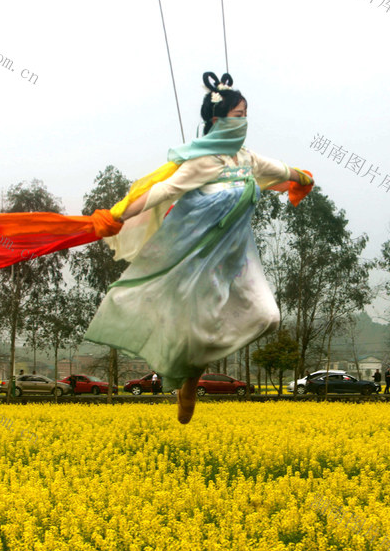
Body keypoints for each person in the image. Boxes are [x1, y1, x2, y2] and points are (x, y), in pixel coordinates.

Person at [84, 72, 314, 424]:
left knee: (269, 317)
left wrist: (303, 178)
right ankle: (190, 380)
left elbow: (284, 170)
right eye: (238, 115)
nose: (244, 122)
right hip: (199, 261)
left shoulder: (247, 160)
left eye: (246, 115)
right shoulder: (202, 162)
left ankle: (192, 370)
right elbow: (163, 191)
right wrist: (117, 214)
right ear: (216, 120)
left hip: (239, 262)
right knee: (198, 331)